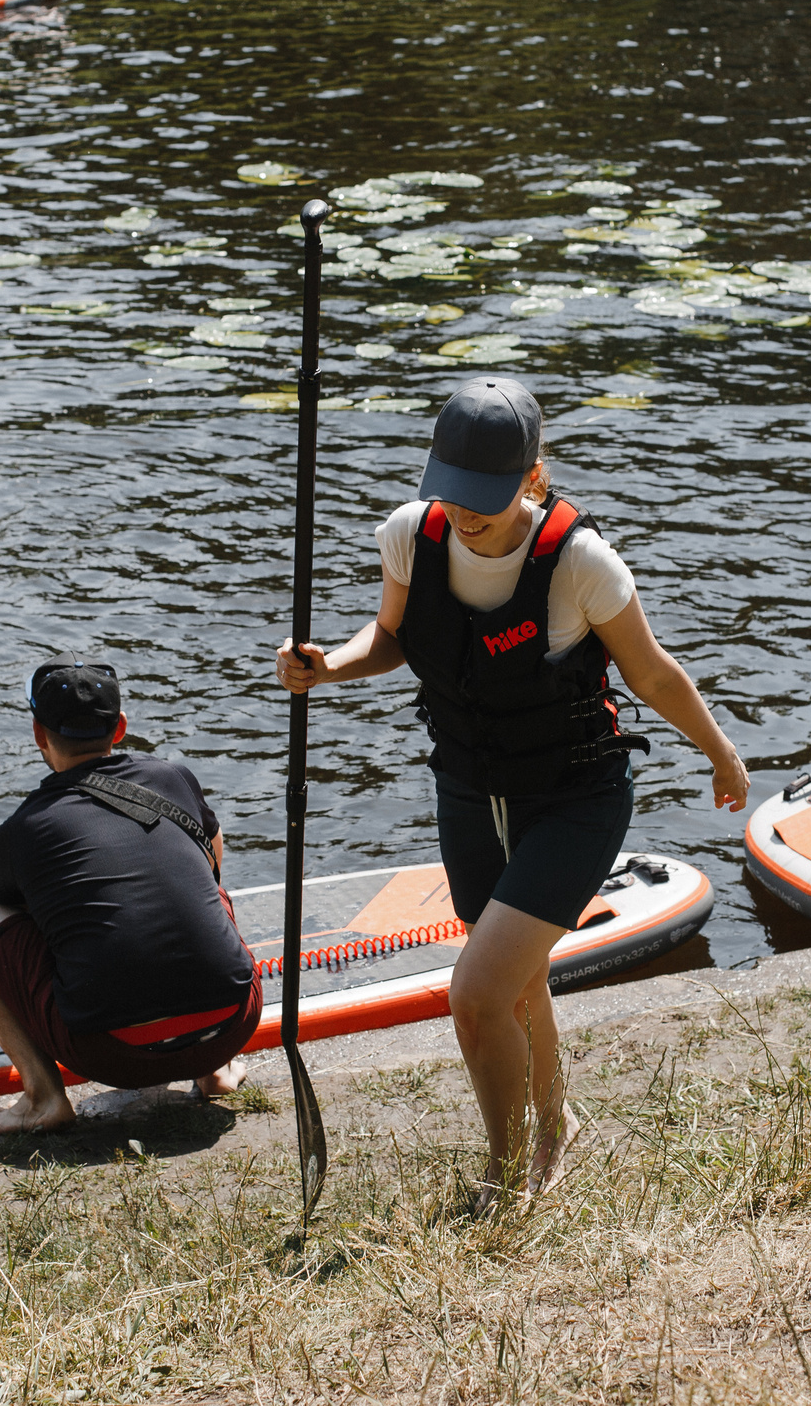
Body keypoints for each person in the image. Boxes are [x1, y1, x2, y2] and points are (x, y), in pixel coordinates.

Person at [274, 377, 750, 1209]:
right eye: (451, 490)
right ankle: (557, 1130)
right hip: (467, 789)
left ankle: (505, 1179)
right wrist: (328, 666)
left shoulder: (580, 562)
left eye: (485, 495)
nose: (463, 511)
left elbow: (651, 672)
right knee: (518, 980)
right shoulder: (410, 535)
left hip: (574, 797)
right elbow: (391, 637)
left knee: (478, 992)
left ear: (534, 476)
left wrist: (721, 753)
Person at [0, 658, 262, 1133]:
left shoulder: (22, 830)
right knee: (201, 881)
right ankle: (214, 1072)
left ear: (38, 734)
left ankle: (43, 1097)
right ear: (119, 727)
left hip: (111, 1056)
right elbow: (211, 865)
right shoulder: (174, 777)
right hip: (233, 1024)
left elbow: (9, 913)